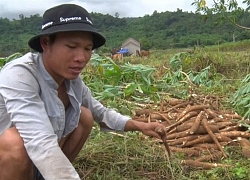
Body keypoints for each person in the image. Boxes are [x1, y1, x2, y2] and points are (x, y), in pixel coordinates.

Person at [0, 4, 166, 180]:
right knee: (14, 141)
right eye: (72, 46)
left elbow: (100, 113)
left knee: (85, 116)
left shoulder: (71, 81)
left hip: (38, 161)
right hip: (10, 163)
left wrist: (140, 126)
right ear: (46, 43)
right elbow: (39, 141)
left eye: (87, 49)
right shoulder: (20, 75)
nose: (81, 58)